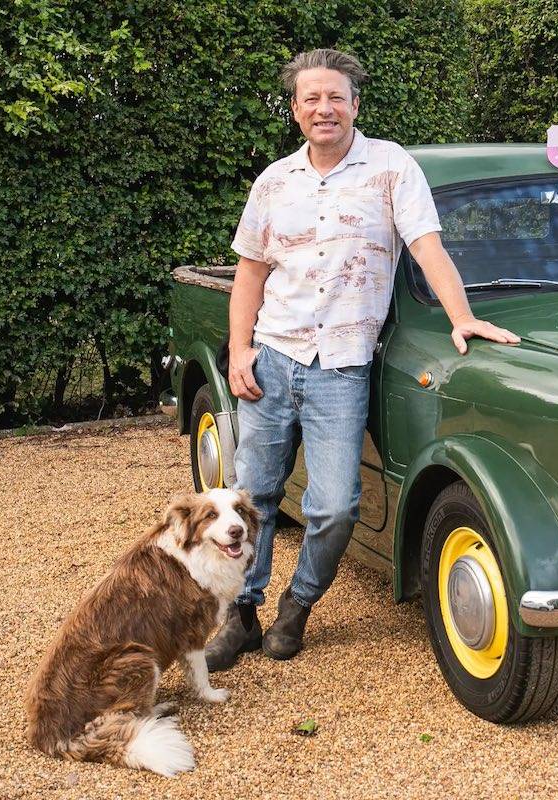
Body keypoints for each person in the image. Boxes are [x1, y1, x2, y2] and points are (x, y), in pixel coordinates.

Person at [204, 49, 518, 672]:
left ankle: (298, 604)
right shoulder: (274, 182)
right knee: (252, 498)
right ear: (295, 109)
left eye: (336, 97)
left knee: (334, 505)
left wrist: (462, 317)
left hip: (342, 365)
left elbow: (427, 247)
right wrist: (239, 351)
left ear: (355, 104)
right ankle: (241, 615)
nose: (325, 108)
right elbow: (249, 273)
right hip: (271, 356)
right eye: (311, 98)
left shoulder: (390, 167)